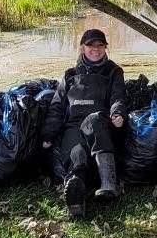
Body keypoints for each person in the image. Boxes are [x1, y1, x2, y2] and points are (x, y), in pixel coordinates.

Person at [40, 28, 127, 219]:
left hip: (101, 124)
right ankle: (75, 197)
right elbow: (57, 105)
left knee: (94, 121)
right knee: (77, 151)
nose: (95, 49)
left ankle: (108, 185)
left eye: (100, 45)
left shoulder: (114, 71)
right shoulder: (70, 74)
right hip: (74, 125)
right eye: (90, 45)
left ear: (105, 48)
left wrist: (117, 114)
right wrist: (48, 134)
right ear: (82, 48)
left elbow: (118, 97)